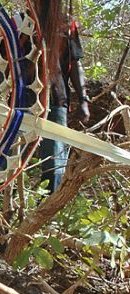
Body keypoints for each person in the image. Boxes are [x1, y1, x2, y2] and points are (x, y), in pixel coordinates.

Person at [40, 17, 89, 192]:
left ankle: (46, 213)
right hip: (24, 101)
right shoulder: (22, 20)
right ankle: (6, 209)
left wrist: (83, 100)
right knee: (13, 161)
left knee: (54, 165)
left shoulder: (67, 23)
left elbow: (75, 63)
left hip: (56, 100)